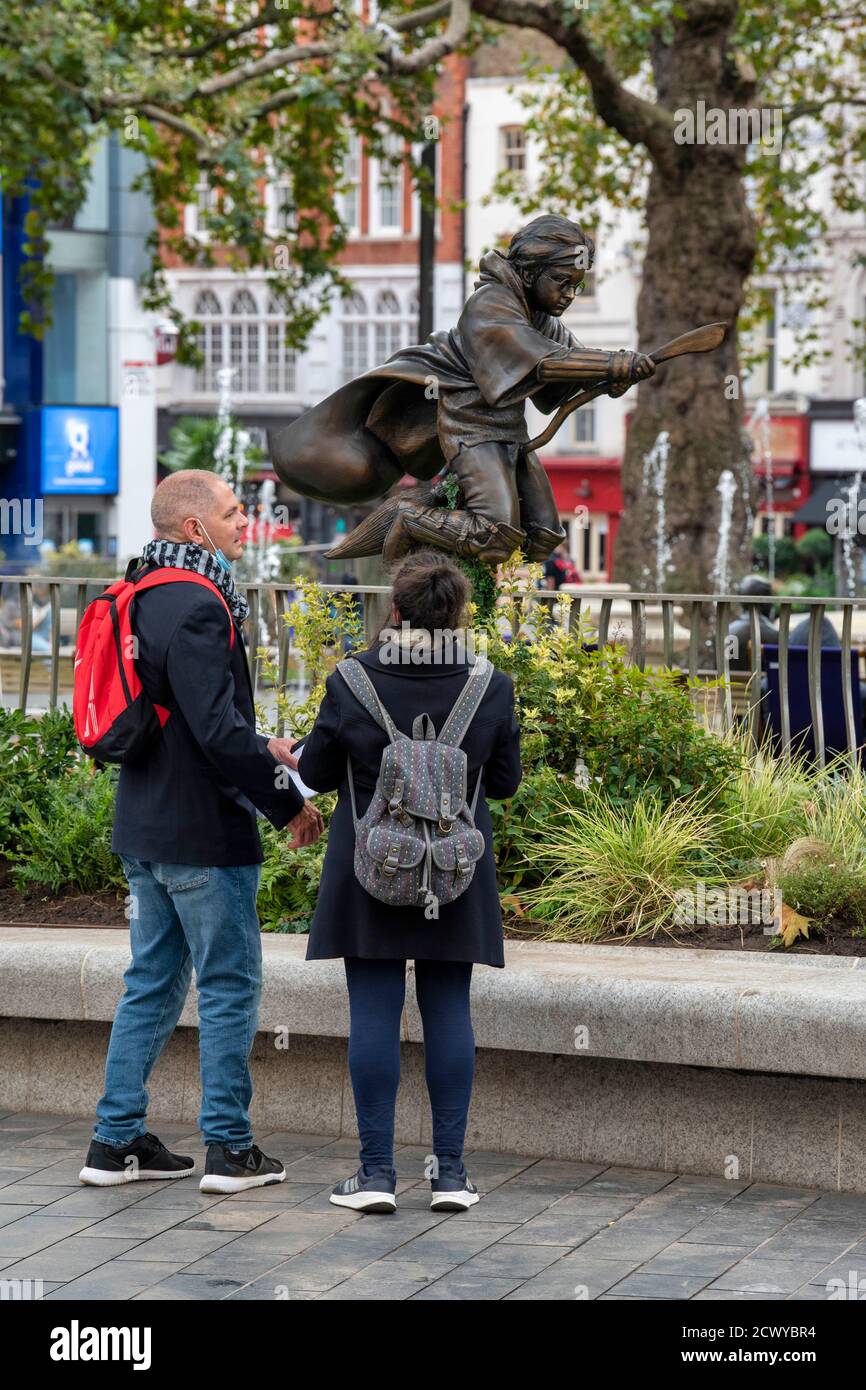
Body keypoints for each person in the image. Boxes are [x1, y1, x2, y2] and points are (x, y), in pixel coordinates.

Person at [80, 469, 324, 1195]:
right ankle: (229, 1150)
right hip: (200, 833)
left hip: (145, 825)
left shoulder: (141, 591)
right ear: (195, 529)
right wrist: (288, 804)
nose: (245, 521)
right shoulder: (198, 602)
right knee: (227, 984)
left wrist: (266, 744)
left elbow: (190, 716)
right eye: (232, 511)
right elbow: (216, 732)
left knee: (151, 982)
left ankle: (113, 1142)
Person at [293, 550, 523, 1213]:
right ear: (457, 616)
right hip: (454, 869)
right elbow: (503, 783)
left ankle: (373, 1178)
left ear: (395, 611)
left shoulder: (351, 680)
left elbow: (318, 767)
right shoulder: (490, 685)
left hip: (371, 866)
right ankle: (450, 1176)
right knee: (450, 1008)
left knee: (373, 1013)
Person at [271, 214, 655, 566]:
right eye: (562, 282)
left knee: (543, 535)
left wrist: (609, 381)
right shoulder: (491, 304)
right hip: (471, 430)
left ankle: (475, 596)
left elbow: (556, 382)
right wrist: (612, 362)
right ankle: (409, 518)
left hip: (509, 434)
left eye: (578, 286)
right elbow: (544, 362)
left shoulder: (541, 317)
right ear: (530, 271)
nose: (570, 295)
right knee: (495, 534)